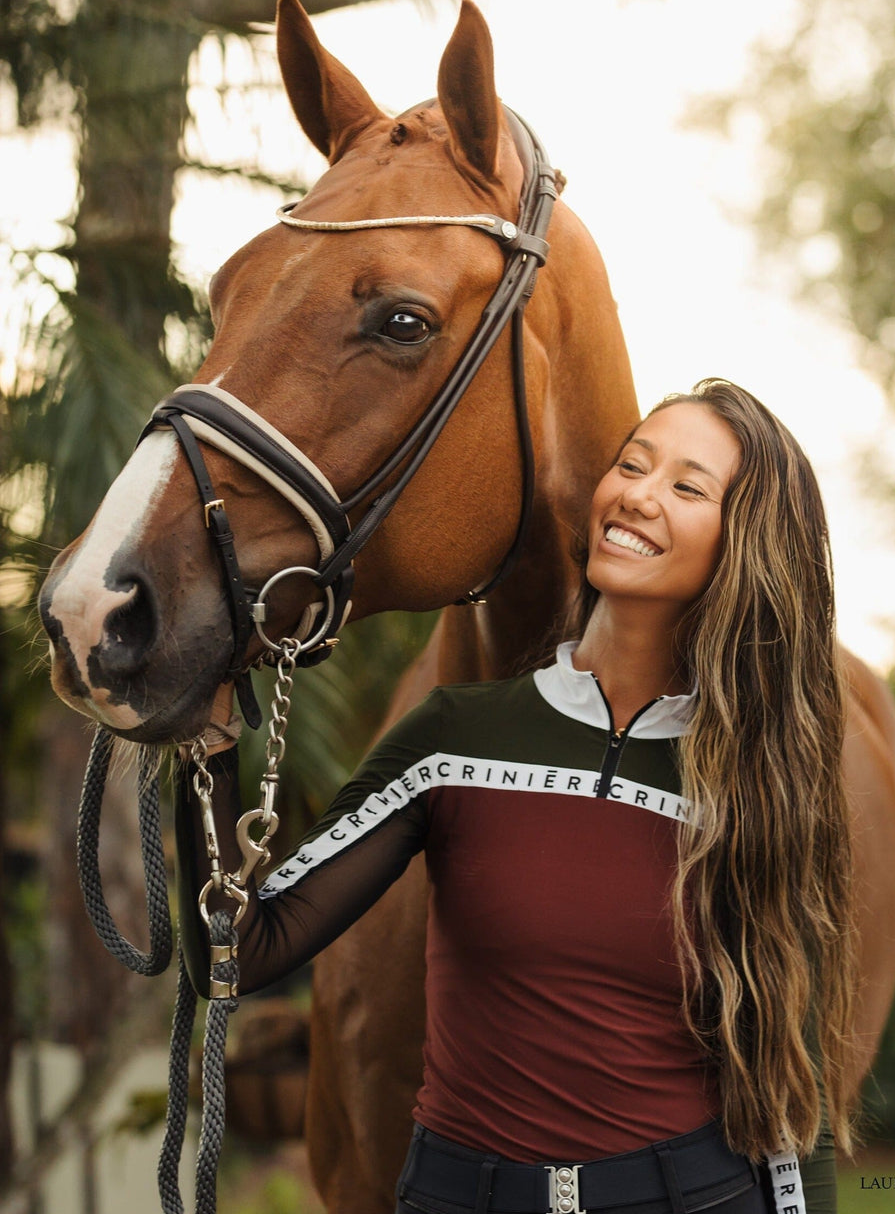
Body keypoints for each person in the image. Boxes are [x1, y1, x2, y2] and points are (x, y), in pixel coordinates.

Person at [176, 378, 857, 1214]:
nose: (638, 496)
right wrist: (205, 743)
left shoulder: (760, 783)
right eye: (632, 466)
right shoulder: (457, 737)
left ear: (743, 544)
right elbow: (238, 951)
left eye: (686, 486)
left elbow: (794, 1086)